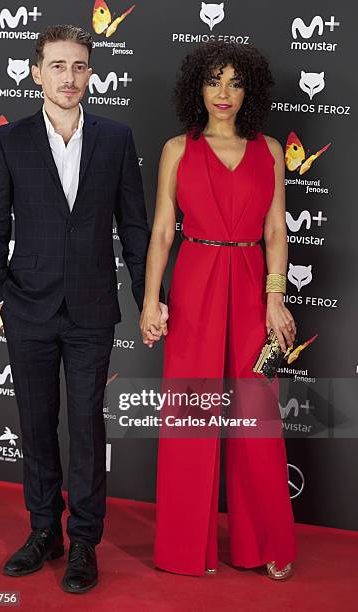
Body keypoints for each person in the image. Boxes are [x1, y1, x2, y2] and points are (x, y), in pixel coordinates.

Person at [0, 24, 166, 594]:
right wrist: (0, 295)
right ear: (37, 73)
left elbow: (135, 227)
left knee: (86, 426)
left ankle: (84, 540)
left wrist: (147, 298)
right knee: (36, 428)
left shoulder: (115, 138)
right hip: (26, 309)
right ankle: (44, 533)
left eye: (79, 65)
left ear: (91, 74)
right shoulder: (10, 141)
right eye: (58, 65)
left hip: (90, 311)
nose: (69, 76)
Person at [139, 41, 297, 580]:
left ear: (248, 89)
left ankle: (267, 544)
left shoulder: (270, 149)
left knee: (256, 418)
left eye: (234, 82)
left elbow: (276, 230)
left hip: (253, 284)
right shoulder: (177, 150)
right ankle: (186, 548)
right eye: (213, 81)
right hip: (196, 280)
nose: (223, 93)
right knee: (191, 415)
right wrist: (150, 300)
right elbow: (162, 232)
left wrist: (275, 300)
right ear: (197, 89)